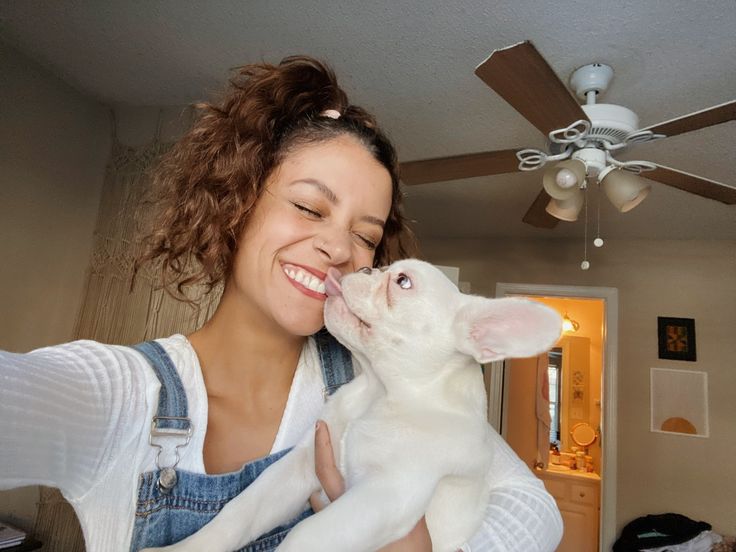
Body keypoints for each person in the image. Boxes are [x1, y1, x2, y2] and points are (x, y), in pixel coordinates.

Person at [0, 56, 562, 551]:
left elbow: (534, 507)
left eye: (365, 236)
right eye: (310, 208)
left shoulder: (379, 382)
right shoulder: (121, 395)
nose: (339, 248)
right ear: (238, 202)